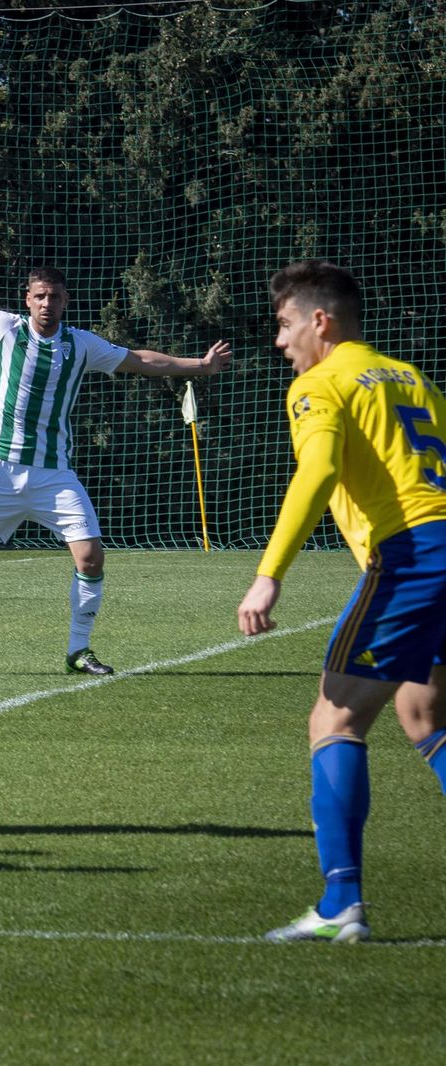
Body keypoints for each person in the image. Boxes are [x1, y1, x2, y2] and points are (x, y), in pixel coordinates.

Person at [0, 250, 232, 678]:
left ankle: (78, 651)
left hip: (54, 473)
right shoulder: (1, 328)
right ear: (27, 299)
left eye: (55, 297)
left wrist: (201, 366)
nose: (48, 303)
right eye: (40, 296)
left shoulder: (81, 344)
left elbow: (138, 360)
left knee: (90, 557)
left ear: (66, 301)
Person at [237, 261, 446, 943]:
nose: (279, 341)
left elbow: (319, 468)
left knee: (334, 718)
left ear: (319, 322)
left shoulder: (318, 383)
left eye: (284, 323)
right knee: (424, 709)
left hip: (415, 558)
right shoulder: (409, 376)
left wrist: (270, 573)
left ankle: (340, 903)